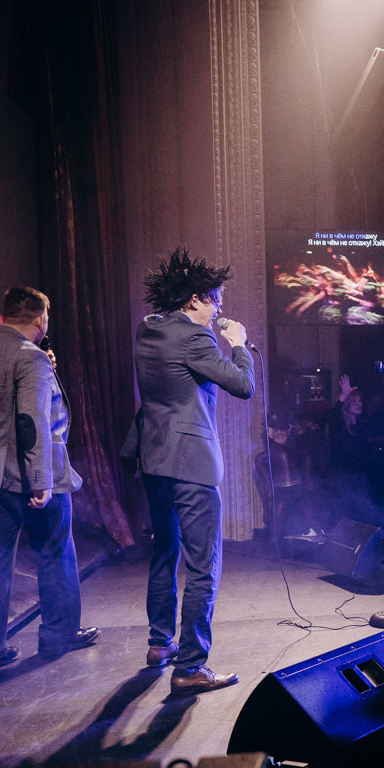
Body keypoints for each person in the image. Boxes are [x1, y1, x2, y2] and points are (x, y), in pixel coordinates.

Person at [122, 247, 254, 695]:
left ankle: (161, 643)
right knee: (203, 566)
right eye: (215, 301)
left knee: (165, 551)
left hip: (155, 461)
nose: (218, 310)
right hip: (191, 466)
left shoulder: (149, 329)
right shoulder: (195, 339)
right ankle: (191, 666)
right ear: (195, 299)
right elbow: (243, 385)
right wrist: (238, 344)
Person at [0, 286, 97, 673]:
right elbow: (31, 419)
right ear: (41, 319)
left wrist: (42, 367)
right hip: (29, 473)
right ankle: (59, 633)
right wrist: (41, 479)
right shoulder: (30, 357)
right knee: (56, 549)